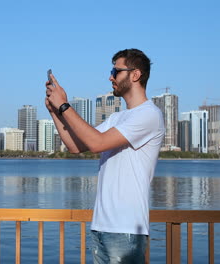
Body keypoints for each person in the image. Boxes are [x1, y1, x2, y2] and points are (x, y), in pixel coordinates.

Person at [45, 48, 165, 264]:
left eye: (116, 71)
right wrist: (55, 112)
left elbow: (97, 143)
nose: (110, 76)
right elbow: (76, 145)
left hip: (126, 229)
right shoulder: (118, 118)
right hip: (101, 226)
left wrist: (64, 105)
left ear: (135, 75)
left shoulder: (149, 115)